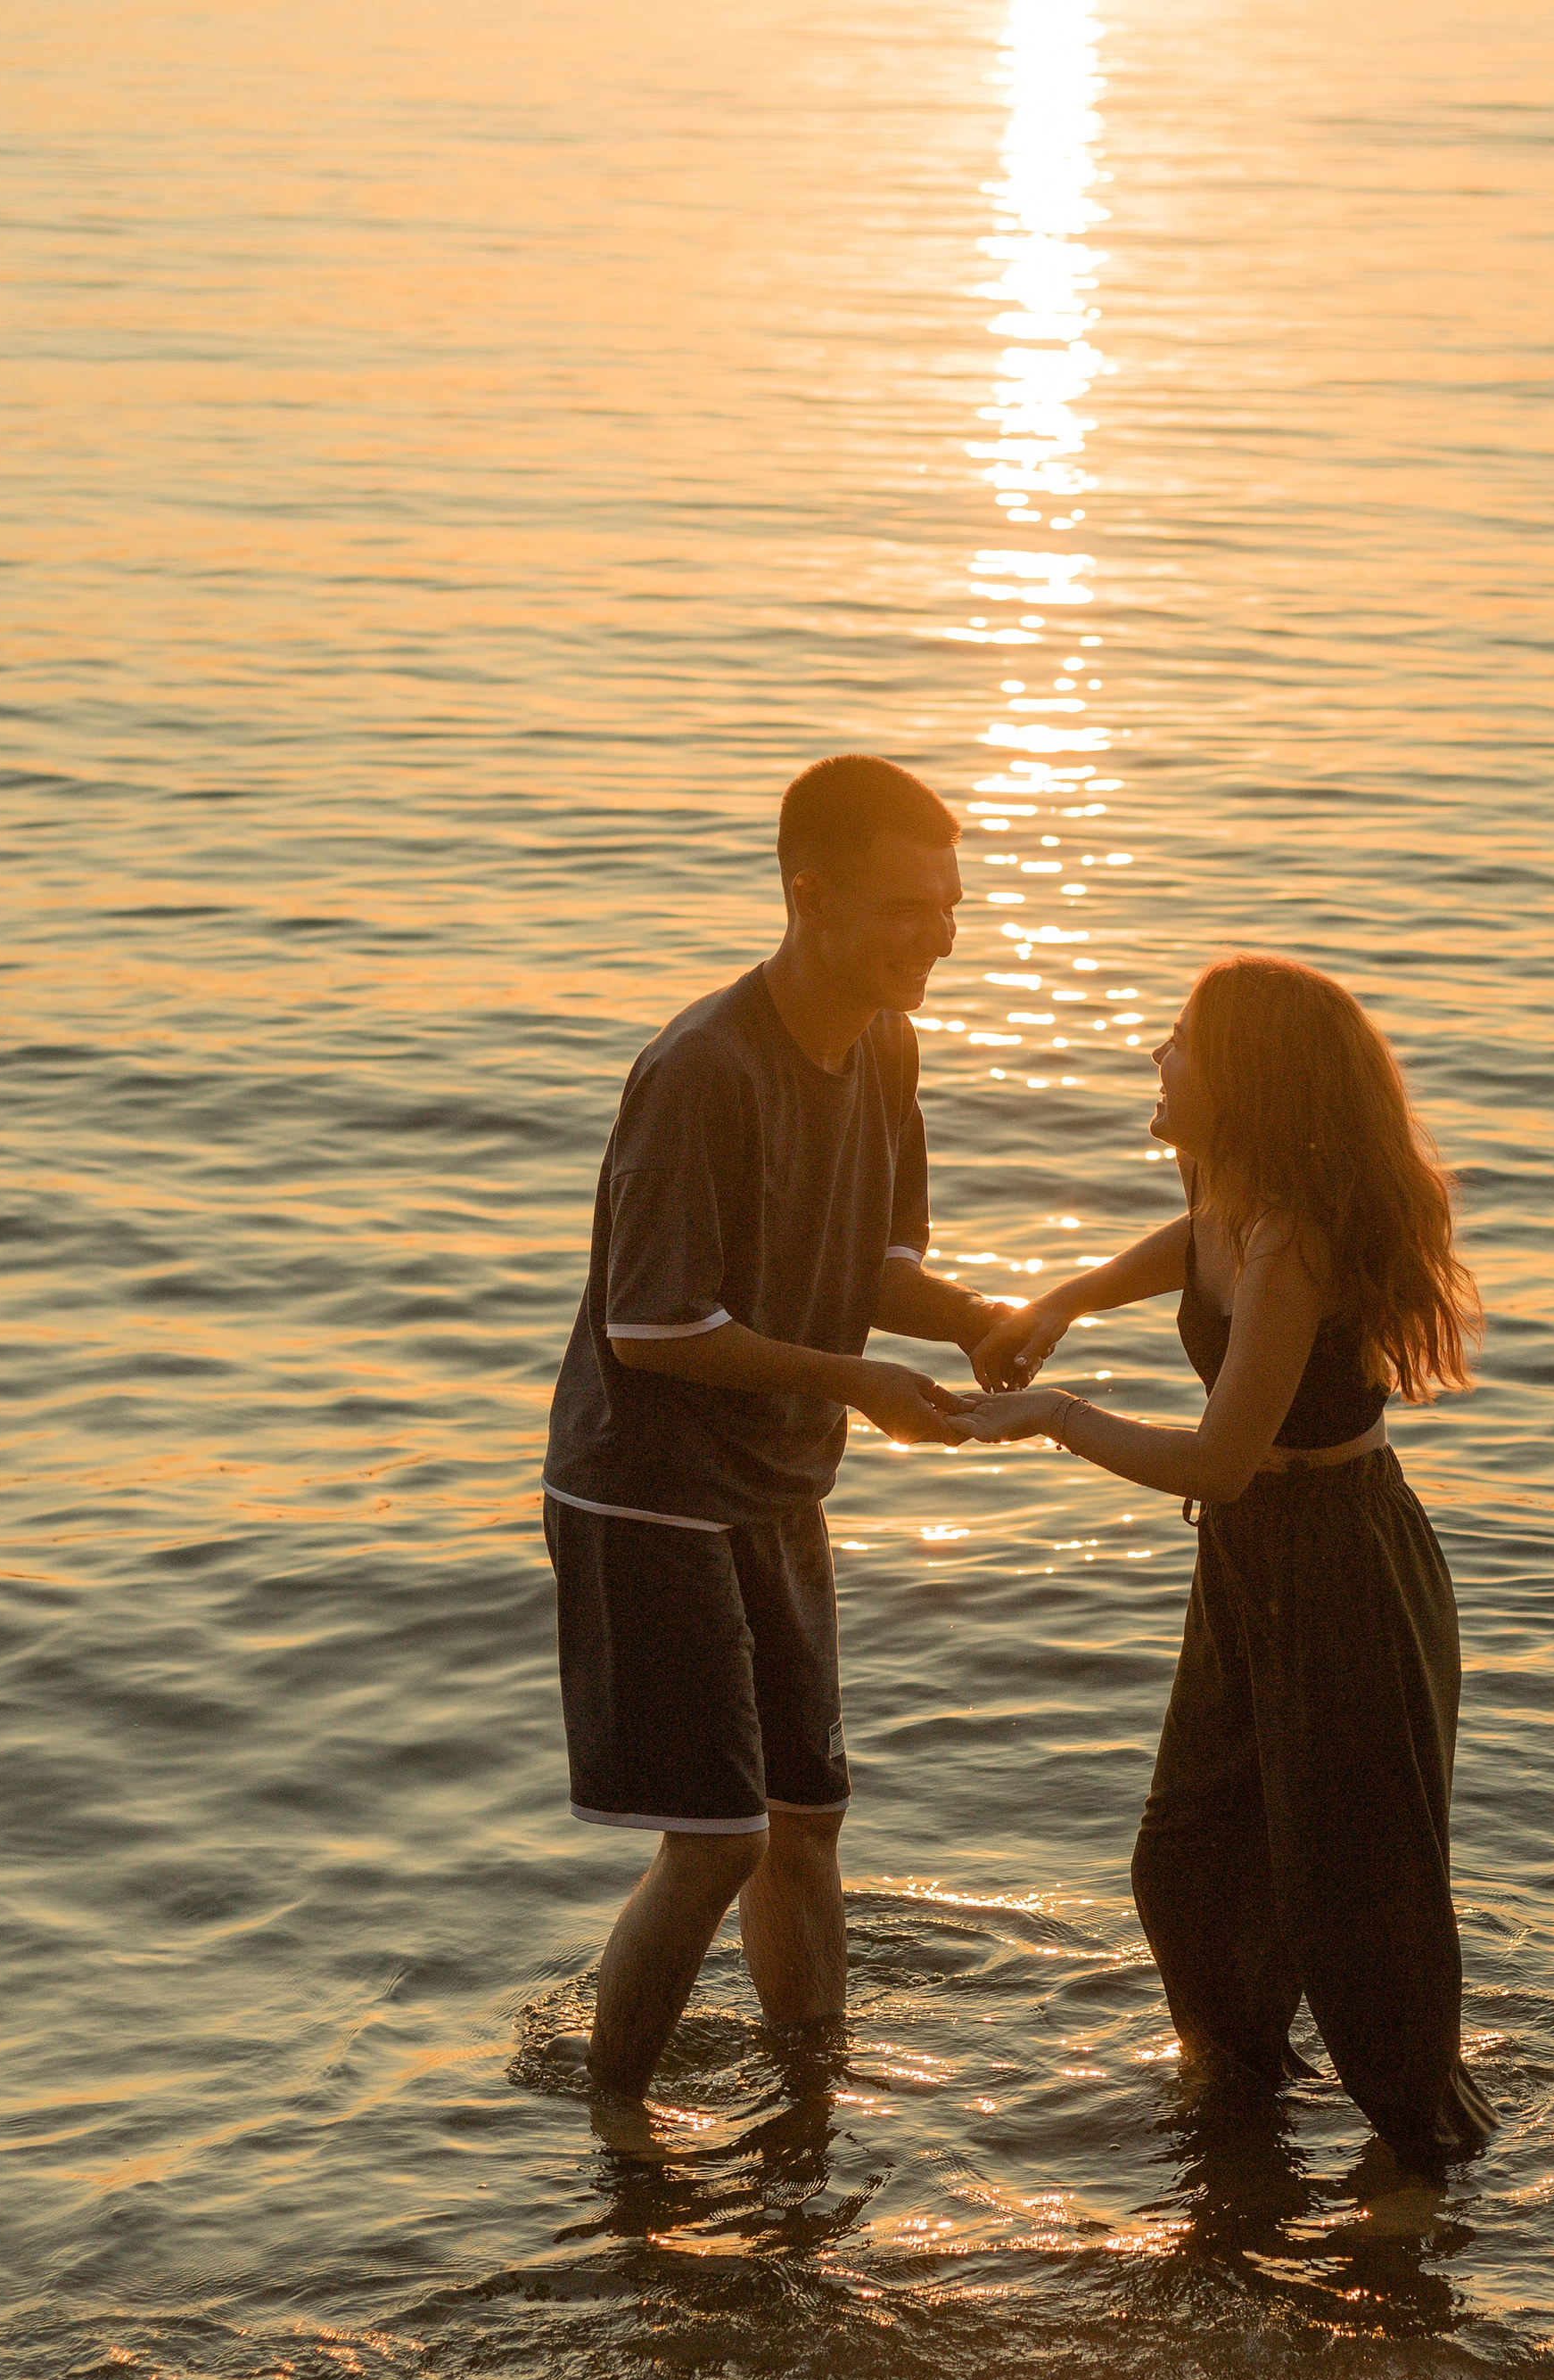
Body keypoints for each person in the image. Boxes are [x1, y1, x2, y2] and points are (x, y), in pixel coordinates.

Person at [958, 954, 1495, 2173]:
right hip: (1251, 1563)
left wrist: (1054, 1414)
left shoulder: (1295, 1236)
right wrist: (1067, 1296)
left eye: (1184, 1043)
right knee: (1187, 1864)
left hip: (1343, 1562)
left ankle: (1423, 2165)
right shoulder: (1222, 1177)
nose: (1158, 1056)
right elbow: (1195, 1244)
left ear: (1245, 1081)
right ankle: (1240, 2109)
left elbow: (1220, 1461)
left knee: (1355, 1900)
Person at [543, 755, 1012, 2103]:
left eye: (951, 907)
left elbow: (871, 1261)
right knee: (716, 1843)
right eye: (907, 910)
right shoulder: (702, 1070)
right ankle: (619, 2132)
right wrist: (861, 1384)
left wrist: (970, 1318)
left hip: (779, 1480)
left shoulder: (888, 1045)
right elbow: (653, 1326)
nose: (938, 938)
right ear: (807, 897)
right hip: (648, 1490)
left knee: (807, 1822)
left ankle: (809, 2105)